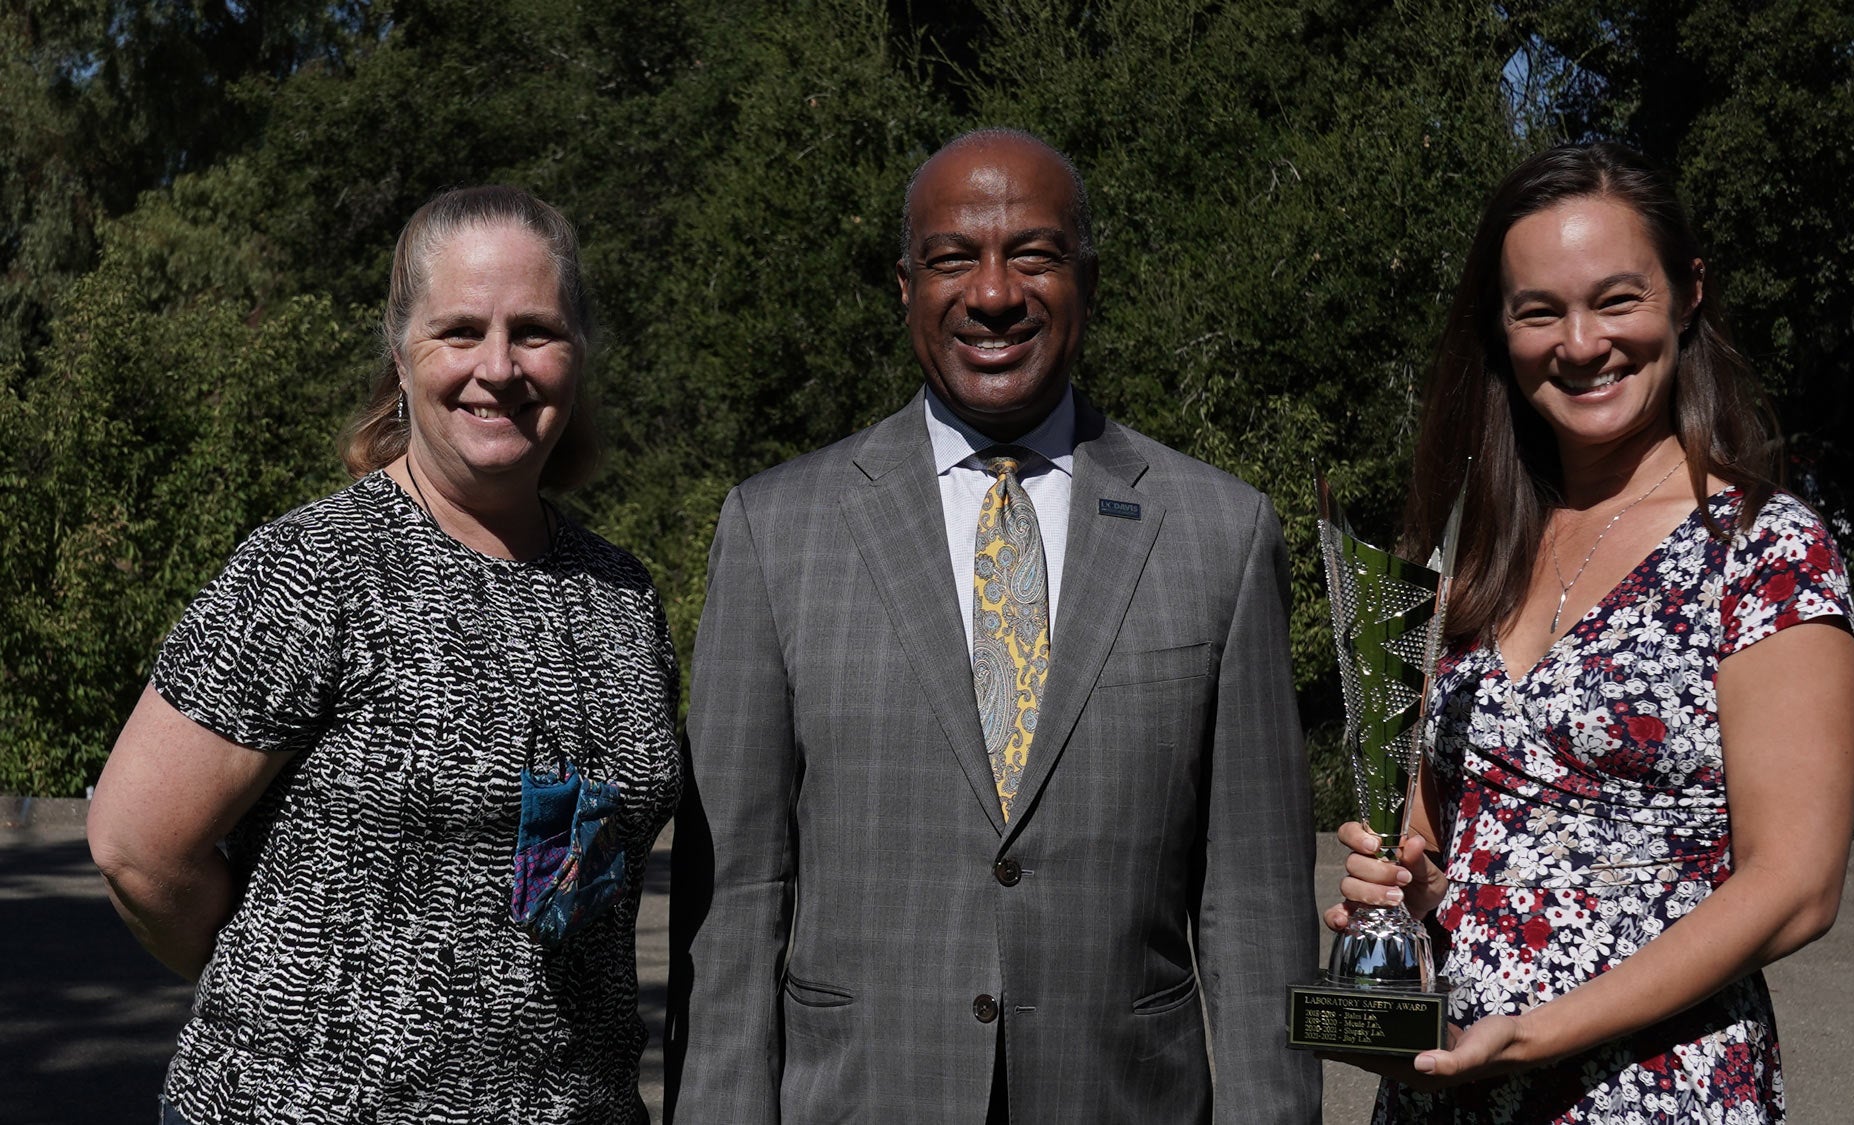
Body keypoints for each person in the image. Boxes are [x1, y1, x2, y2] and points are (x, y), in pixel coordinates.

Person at [665, 127, 1321, 1123]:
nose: (992, 292)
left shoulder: (1218, 535)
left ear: (1087, 281)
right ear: (903, 286)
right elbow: (738, 899)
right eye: (951, 259)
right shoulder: (775, 529)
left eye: (1033, 254)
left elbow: (1256, 908)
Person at [86, 185, 682, 1124]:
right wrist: (290, 996)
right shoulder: (315, 569)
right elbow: (135, 846)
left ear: (578, 355)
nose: (499, 366)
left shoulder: (621, 596)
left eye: (535, 331)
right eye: (459, 331)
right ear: (401, 356)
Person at [1324, 142, 1854, 1123]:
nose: (1578, 343)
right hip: (1449, 1089)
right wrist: (1407, 894)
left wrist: (1533, 1032)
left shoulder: (1763, 548)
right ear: (1500, 327)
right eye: (1539, 311)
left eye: (1613, 299)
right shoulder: (1470, 556)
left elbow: (1795, 885)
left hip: (1652, 1093)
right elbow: (1460, 851)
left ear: (1685, 295)